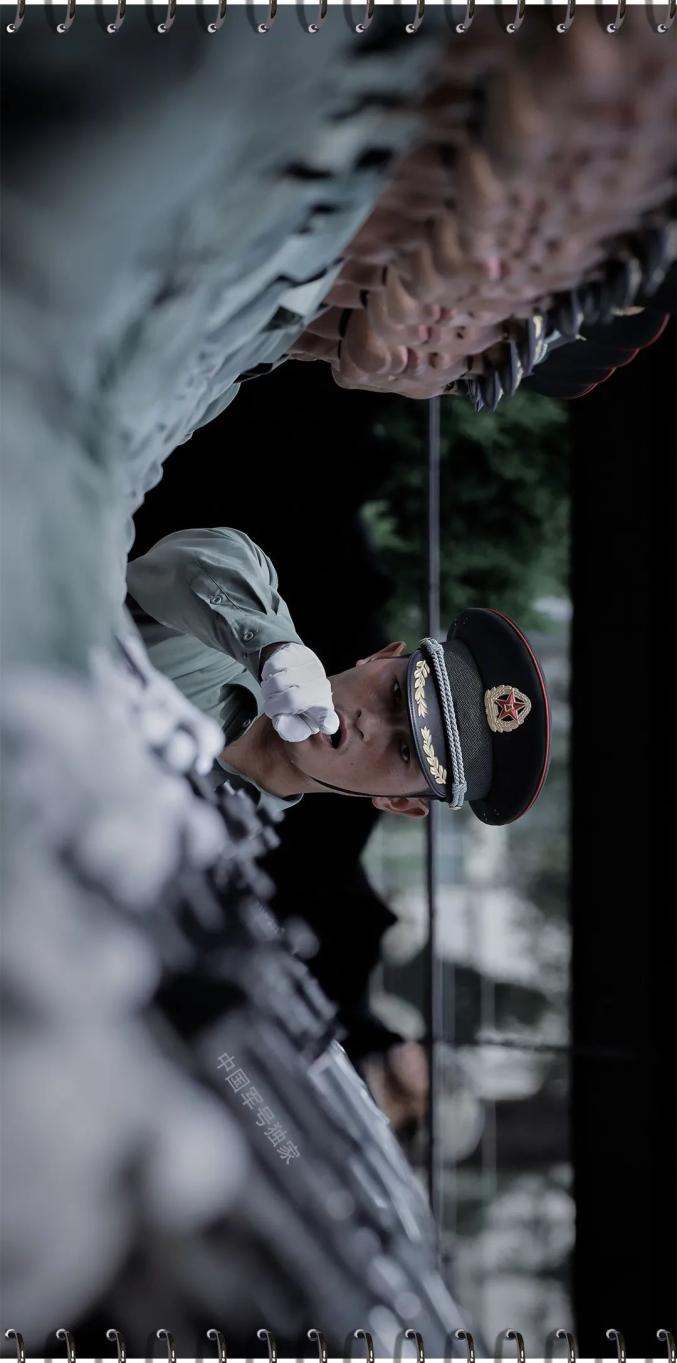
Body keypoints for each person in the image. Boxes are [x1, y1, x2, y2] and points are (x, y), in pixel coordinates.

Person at [126, 525, 550, 825]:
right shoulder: (223, 634)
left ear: (398, 803)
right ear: (379, 656)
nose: (370, 724)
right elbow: (205, 561)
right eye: (395, 693)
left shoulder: (220, 859)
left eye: (404, 751)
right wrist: (274, 649)